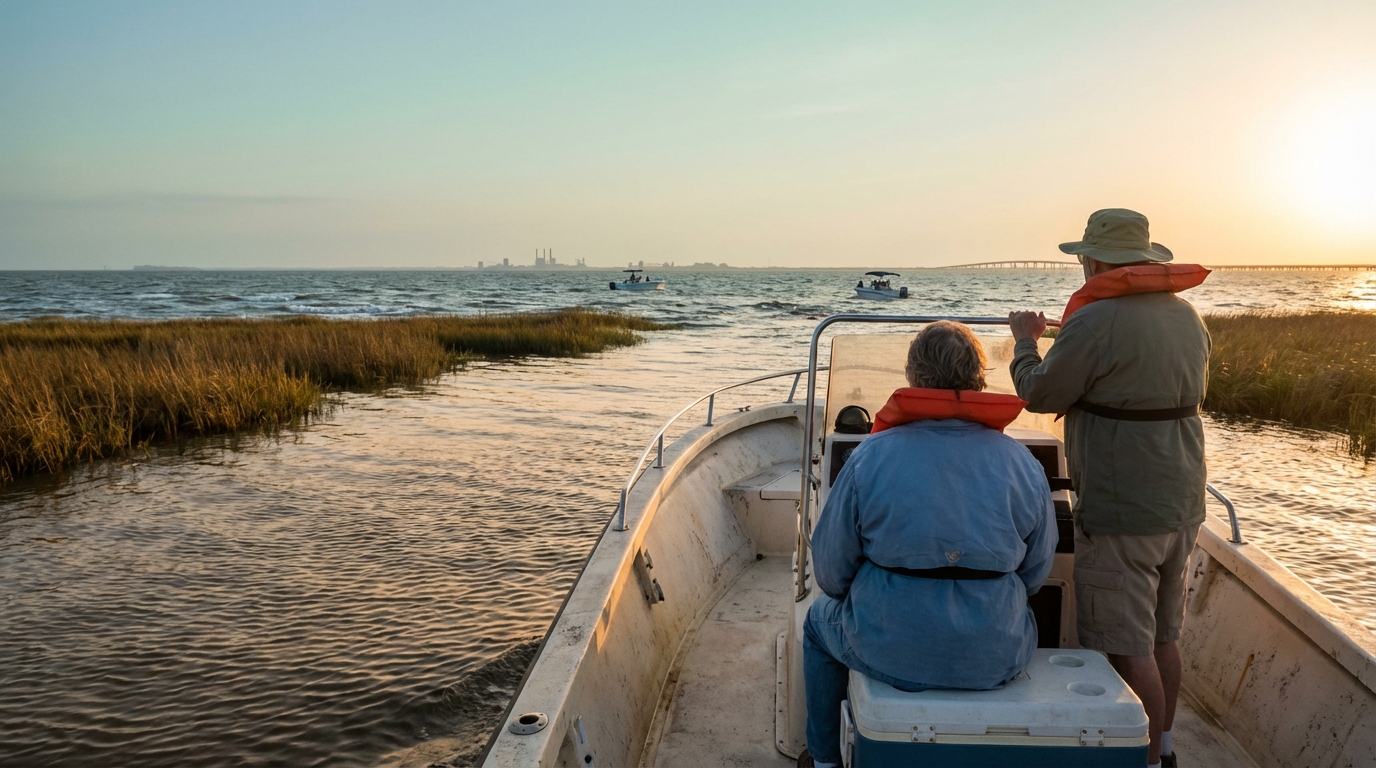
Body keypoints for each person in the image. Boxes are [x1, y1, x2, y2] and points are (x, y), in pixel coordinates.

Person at [800, 321, 1056, 768]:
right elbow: (1036, 575)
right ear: (978, 379)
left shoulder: (868, 458)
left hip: (886, 649)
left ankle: (823, 760)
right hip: (996, 656)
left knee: (817, 624)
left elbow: (830, 574)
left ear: (914, 378)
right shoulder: (1023, 463)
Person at [1008, 208, 1211, 768]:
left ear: (1094, 261)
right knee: (1164, 636)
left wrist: (1027, 341)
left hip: (1124, 509)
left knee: (1128, 644)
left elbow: (1041, 394)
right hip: (1184, 501)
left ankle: (1145, 760)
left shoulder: (1094, 322)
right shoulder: (1188, 317)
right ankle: (1165, 744)